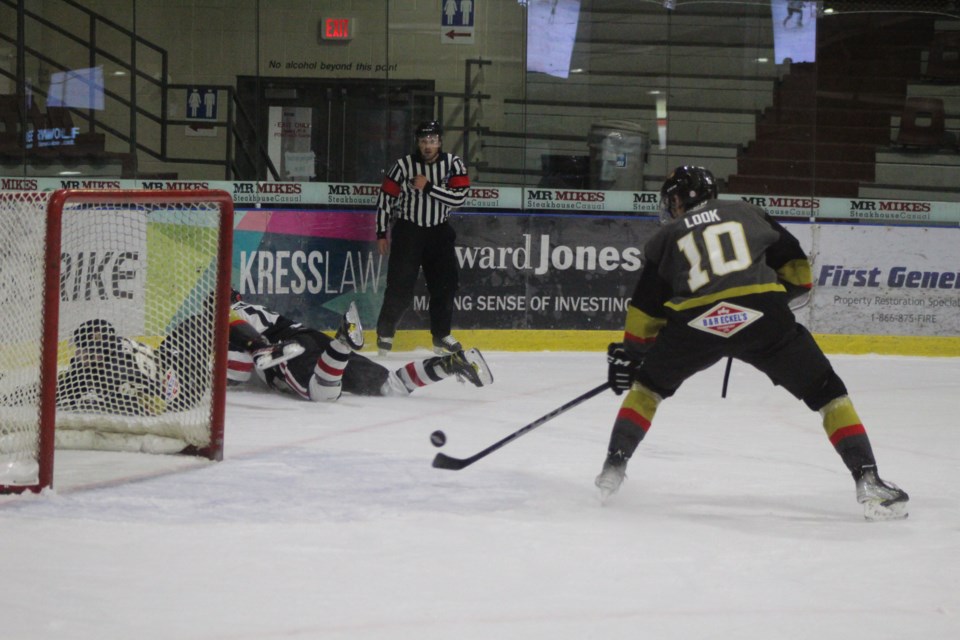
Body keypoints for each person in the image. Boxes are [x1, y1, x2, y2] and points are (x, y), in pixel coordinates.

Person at [595, 166, 908, 521]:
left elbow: (642, 318)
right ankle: (868, 480)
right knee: (828, 392)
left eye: (672, 200)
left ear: (680, 199)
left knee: (647, 390)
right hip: (763, 315)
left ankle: (612, 469)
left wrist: (635, 357)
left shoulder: (667, 237)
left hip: (695, 324)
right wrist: (765, 300)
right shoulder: (747, 211)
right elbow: (799, 274)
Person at [227, 290, 493, 402]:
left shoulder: (229, 314)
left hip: (289, 347)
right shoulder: (251, 307)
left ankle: (342, 345)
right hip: (312, 338)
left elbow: (237, 368)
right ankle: (451, 363)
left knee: (321, 394)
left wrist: (259, 348)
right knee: (390, 387)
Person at [374, 120, 470, 356]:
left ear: (440, 142)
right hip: (409, 231)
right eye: (424, 141)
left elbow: (459, 199)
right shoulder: (402, 166)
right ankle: (385, 333)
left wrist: (428, 187)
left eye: (433, 141)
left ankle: (441, 336)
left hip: (439, 232)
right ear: (417, 142)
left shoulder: (453, 164)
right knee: (399, 286)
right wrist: (381, 232)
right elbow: (385, 199)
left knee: (445, 286)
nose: (428, 146)